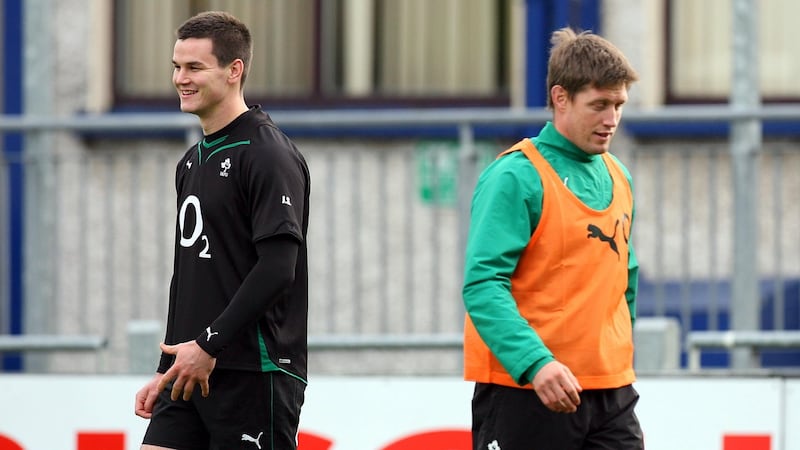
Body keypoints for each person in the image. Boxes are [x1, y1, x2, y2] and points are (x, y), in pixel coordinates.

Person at [134, 11, 310, 450]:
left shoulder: (267, 154)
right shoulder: (191, 161)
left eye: (195, 67)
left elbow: (277, 268)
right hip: (189, 367)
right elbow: (188, 273)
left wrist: (209, 344)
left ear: (235, 71)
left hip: (253, 370)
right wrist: (166, 362)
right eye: (176, 67)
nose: (180, 79)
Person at [462, 27, 643, 450]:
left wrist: (616, 358)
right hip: (527, 389)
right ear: (560, 98)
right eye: (598, 105)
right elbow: (483, 285)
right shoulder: (515, 175)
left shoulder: (619, 175)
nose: (611, 119)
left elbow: (624, 280)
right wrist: (535, 363)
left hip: (610, 392)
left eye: (618, 105)